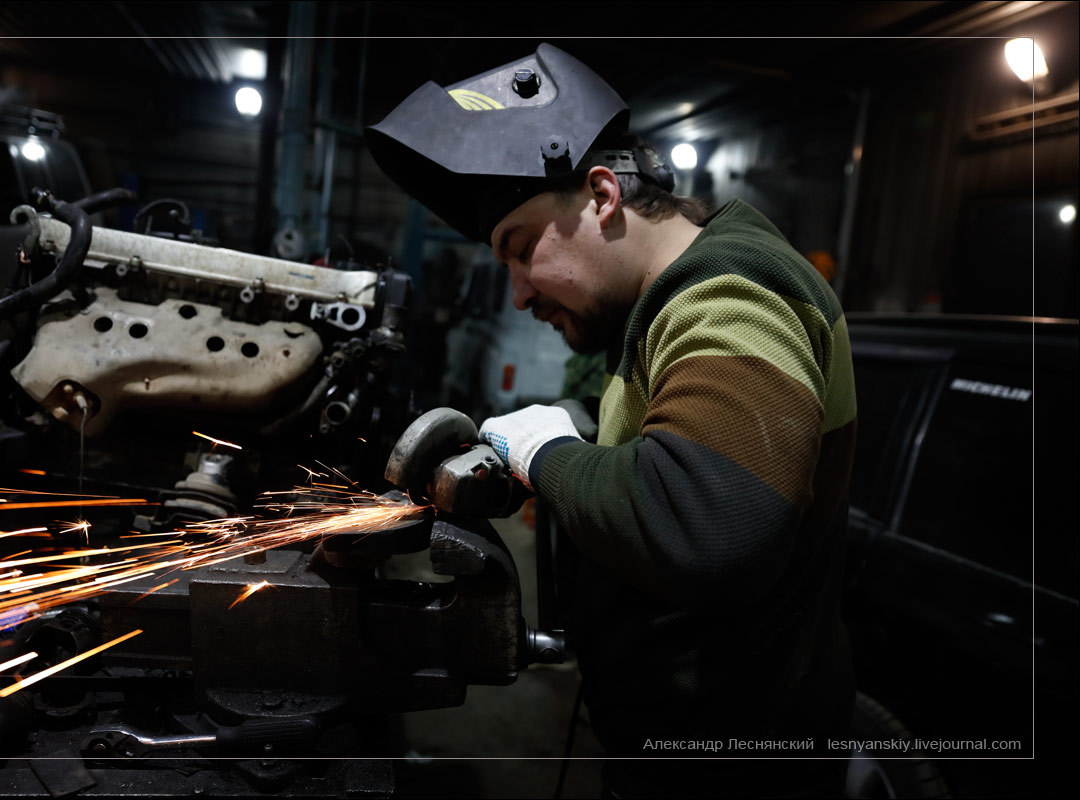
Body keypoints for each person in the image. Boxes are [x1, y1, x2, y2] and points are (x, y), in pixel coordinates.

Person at [366, 43, 857, 798]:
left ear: (601, 196)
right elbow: (669, 427)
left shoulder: (733, 288)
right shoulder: (663, 308)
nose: (520, 294)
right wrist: (578, 420)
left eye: (521, 249)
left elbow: (705, 523)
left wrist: (549, 454)